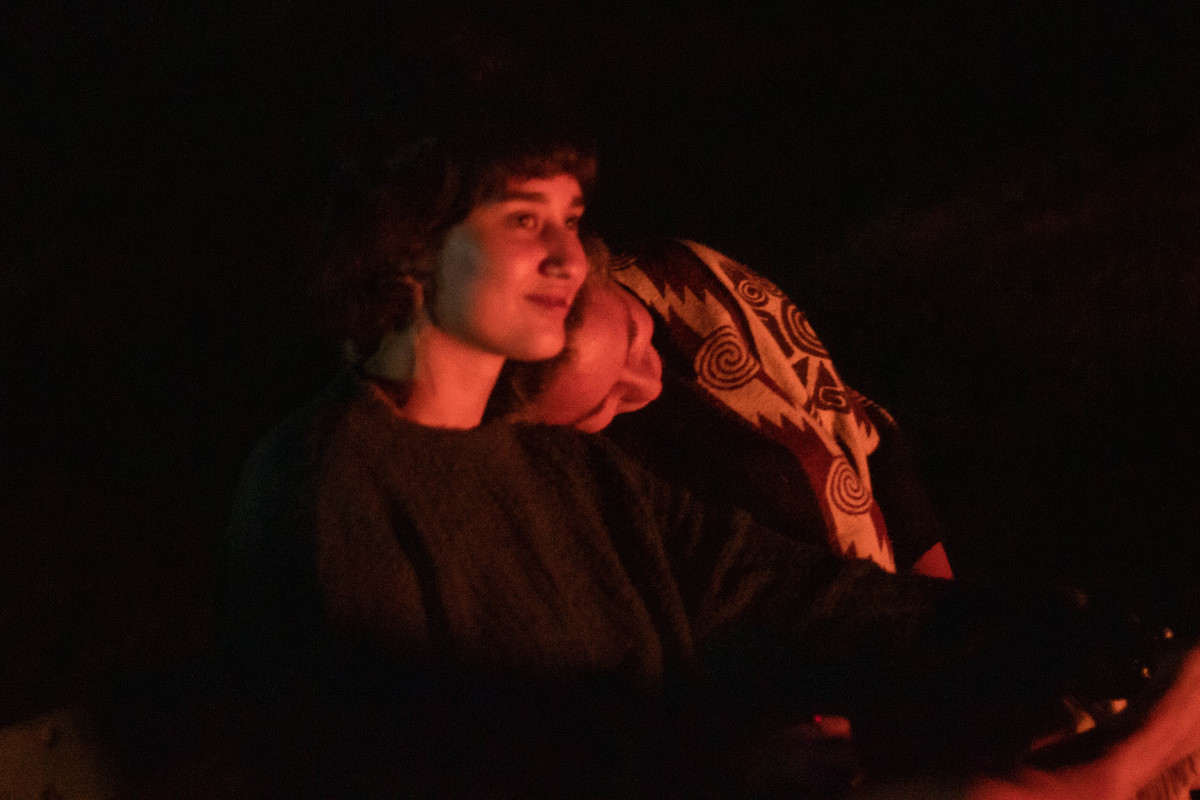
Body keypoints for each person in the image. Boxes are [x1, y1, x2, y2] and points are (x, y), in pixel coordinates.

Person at [222, 93, 1200, 798]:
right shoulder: (332, 486)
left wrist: (1054, 641)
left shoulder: (561, 465)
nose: (567, 256)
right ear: (414, 246)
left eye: (572, 220)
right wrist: (719, 770)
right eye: (525, 222)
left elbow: (775, 591)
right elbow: (420, 759)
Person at [496, 238, 953, 578]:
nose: (648, 385)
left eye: (634, 336)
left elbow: (848, 417)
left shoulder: (688, 278)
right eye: (603, 403)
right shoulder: (595, 484)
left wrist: (936, 601)